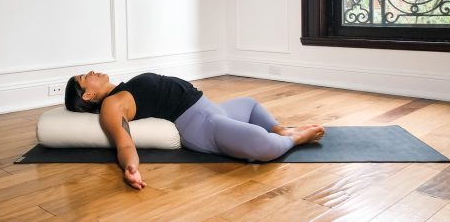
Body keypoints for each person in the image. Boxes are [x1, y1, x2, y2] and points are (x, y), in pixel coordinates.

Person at [65, 71, 326, 190]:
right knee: (262, 146)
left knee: (249, 104)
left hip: (212, 109)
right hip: (202, 126)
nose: (91, 72)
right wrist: (131, 169)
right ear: (88, 94)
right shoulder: (112, 104)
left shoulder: (125, 86)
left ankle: (281, 129)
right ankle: (294, 138)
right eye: (85, 77)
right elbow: (124, 143)